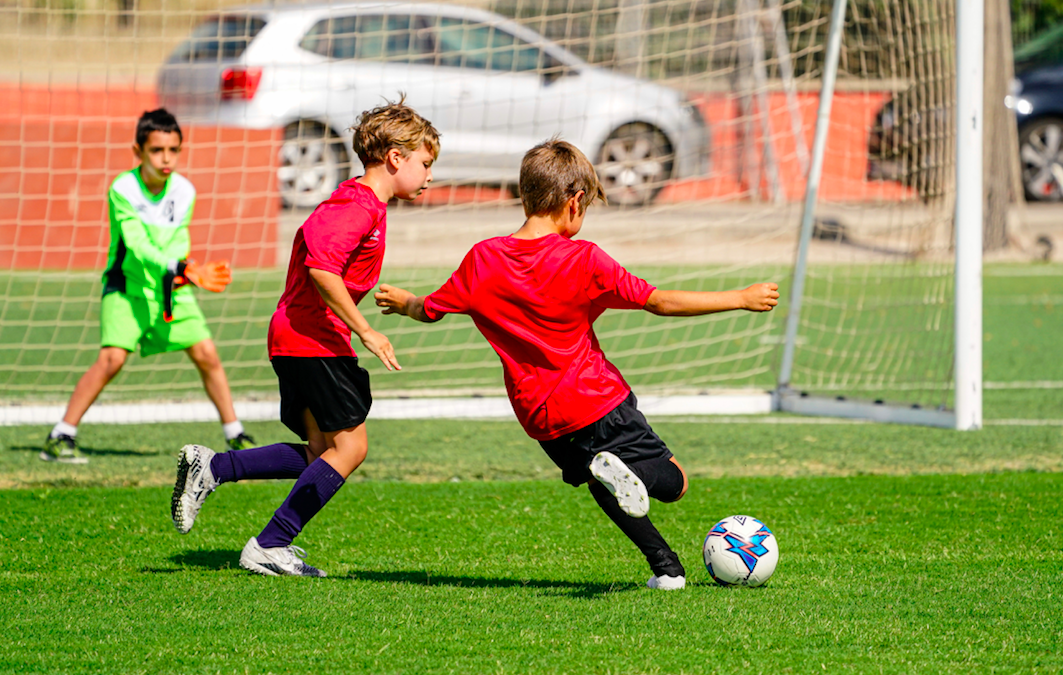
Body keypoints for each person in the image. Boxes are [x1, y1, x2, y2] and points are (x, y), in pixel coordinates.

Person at [374, 139, 779, 590]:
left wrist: (403, 300)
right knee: (674, 482)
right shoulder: (584, 259)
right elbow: (659, 302)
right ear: (575, 201)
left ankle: (666, 570)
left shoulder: (482, 260)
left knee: (603, 480)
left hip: (543, 420)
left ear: (525, 195)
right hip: (598, 401)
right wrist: (740, 298)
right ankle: (637, 482)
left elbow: (429, 309)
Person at [170, 97, 440, 578]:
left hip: (305, 337)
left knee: (322, 452)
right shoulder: (356, 205)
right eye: (425, 162)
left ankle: (211, 469)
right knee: (351, 448)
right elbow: (321, 267)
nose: (428, 175)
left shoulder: (365, 205)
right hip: (309, 338)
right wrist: (367, 331)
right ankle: (270, 544)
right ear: (395, 158)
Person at [41, 108, 253, 465]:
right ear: (138, 152)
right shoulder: (123, 189)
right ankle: (61, 435)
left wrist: (184, 271)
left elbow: (176, 240)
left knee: (207, 354)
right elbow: (137, 245)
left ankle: (236, 434)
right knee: (112, 359)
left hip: (171, 289)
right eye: (157, 151)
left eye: (173, 150)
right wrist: (183, 267)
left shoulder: (184, 190)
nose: (166, 159)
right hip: (128, 288)